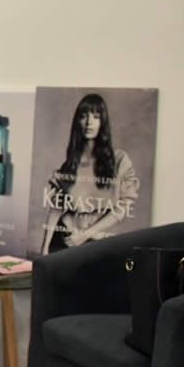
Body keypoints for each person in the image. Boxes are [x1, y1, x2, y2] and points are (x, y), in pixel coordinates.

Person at [41, 93, 139, 253]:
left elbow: (121, 209)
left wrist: (85, 235)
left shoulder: (119, 161)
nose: (89, 122)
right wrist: (44, 250)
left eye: (96, 116)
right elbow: (55, 208)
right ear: (77, 122)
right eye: (84, 116)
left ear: (103, 122)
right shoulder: (70, 164)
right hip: (64, 240)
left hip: (97, 244)